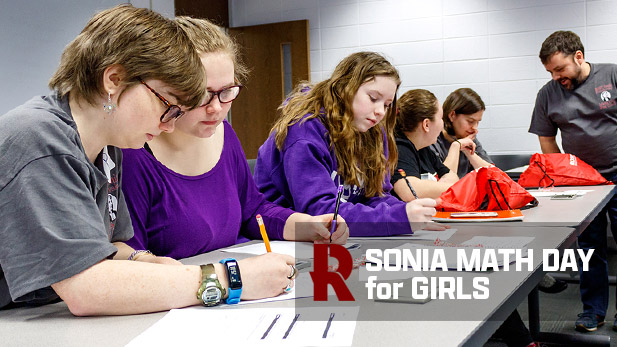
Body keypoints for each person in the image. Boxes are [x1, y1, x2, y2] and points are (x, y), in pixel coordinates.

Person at [0, 5, 296, 315]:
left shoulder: (107, 146)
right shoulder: (40, 140)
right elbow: (86, 288)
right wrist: (231, 278)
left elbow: (111, 248)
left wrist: (145, 262)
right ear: (114, 80)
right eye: (168, 104)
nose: (169, 125)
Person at [121, 17, 348, 261]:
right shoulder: (133, 153)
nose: (216, 109)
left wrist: (308, 225)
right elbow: (131, 256)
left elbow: (253, 212)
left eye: (227, 92)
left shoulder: (224, 133)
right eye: (202, 95)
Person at [254, 52, 443, 236]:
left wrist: (410, 212)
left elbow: (375, 197)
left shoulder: (372, 131)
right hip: (282, 235)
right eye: (373, 98)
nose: (380, 112)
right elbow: (321, 212)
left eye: (386, 104)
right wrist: (397, 218)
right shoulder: (305, 130)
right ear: (345, 88)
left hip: (337, 234)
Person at [529, 30, 617, 332]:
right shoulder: (548, 94)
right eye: (550, 71)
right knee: (589, 248)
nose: (556, 76)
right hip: (583, 183)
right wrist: (564, 175)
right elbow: (547, 139)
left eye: (560, 68)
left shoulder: (612, 76)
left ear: (578, 57)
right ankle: (593, 311)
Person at [390, 89, 459, 201]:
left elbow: (451, 176)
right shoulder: (400, 148)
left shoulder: (424, 149)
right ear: (426, 124)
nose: (443, 124)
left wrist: (433, 189)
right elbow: (409, 190)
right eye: (441, 118)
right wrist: (456, 189)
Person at [429, 88, 492, 178]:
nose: (475, 128)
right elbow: (443, 181)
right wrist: (456, 146)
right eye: (470, 121)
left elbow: (493, 175)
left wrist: (469, 152)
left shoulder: (469, 138)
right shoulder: (433, 141)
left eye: (478, 122)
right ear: (452, 116)